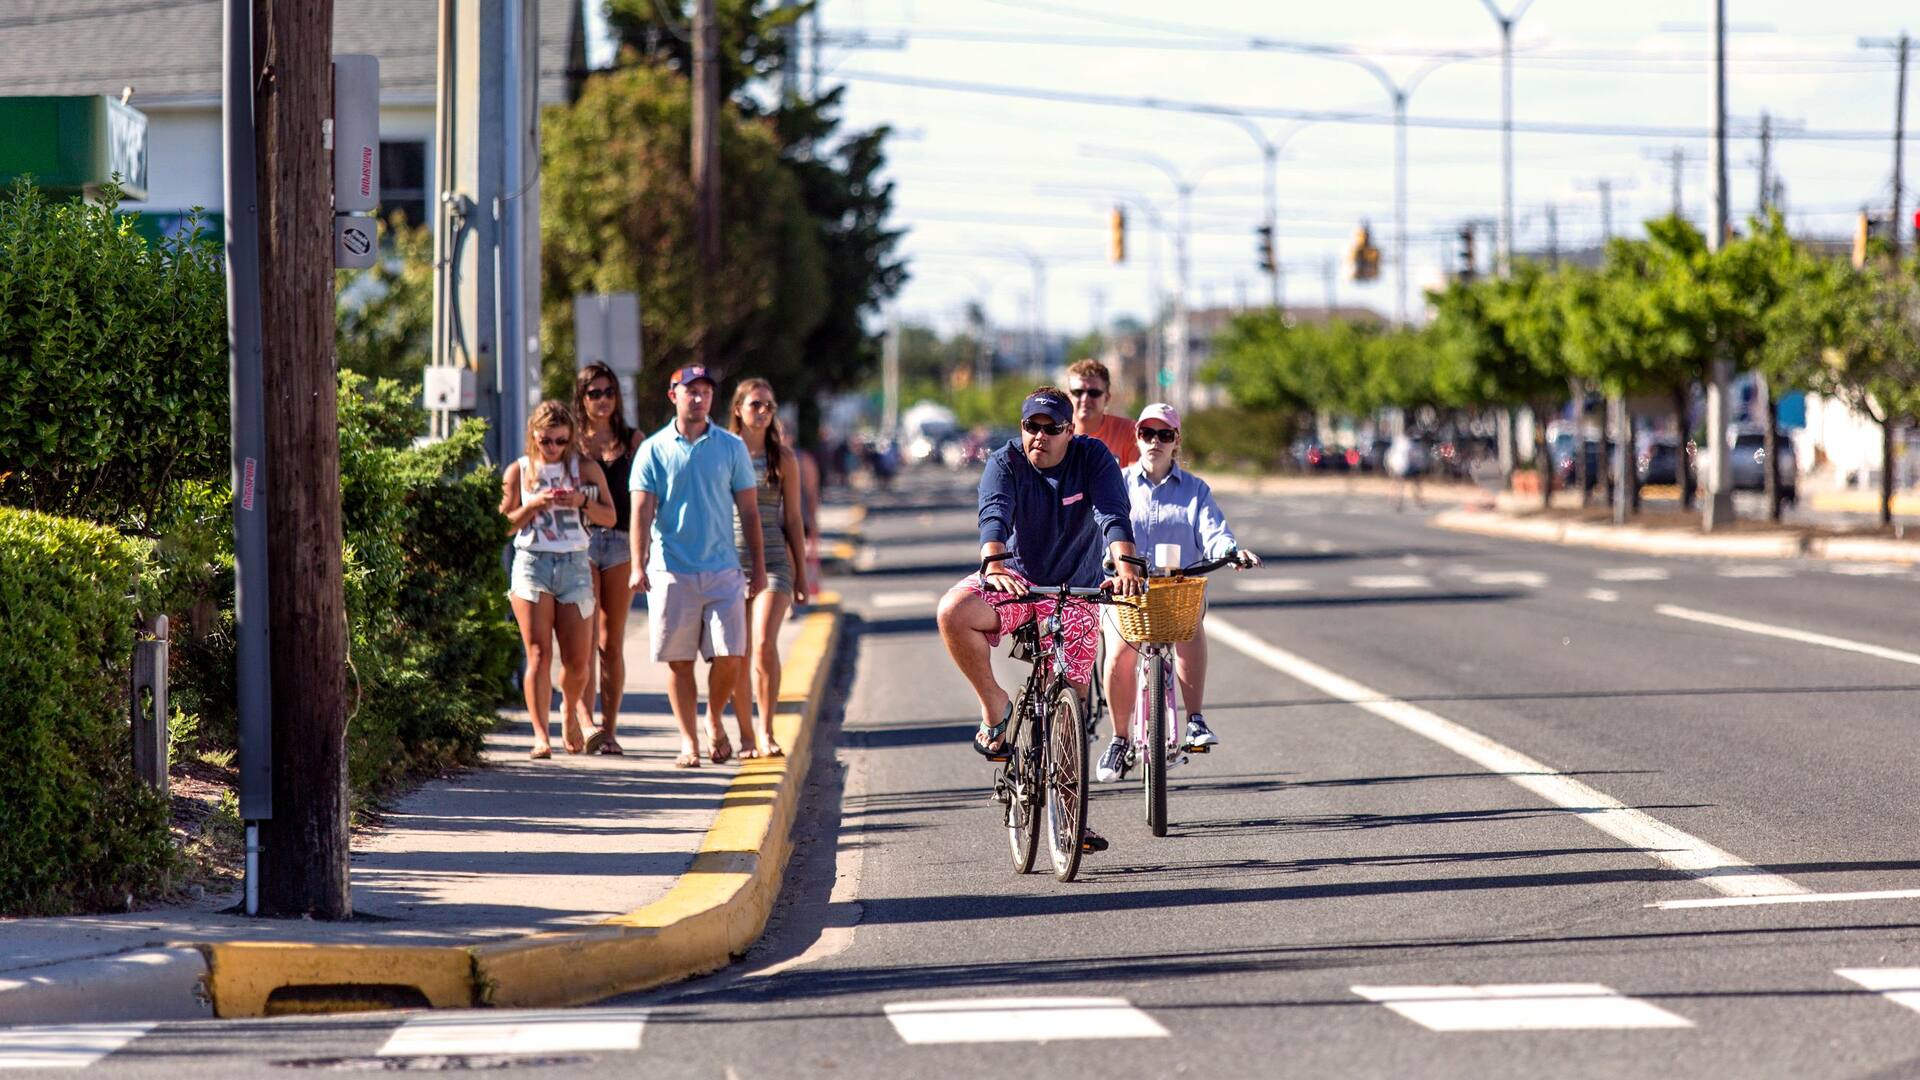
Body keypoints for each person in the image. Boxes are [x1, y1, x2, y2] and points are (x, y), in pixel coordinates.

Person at [936, 387, 1147, 849]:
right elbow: (994, 514)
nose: (1041, 436)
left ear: (1070, 432)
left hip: (1076, 590)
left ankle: (1072, 818)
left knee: (1071, 698)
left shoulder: (1093, 458)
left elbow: (1112, 511)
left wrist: (1126, 563)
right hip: (1016, 581)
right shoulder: (1004, 462)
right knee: (953, 612)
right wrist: (993, 564)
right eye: (1033, 426)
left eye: (1053, 428)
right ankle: (995, 708)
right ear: (1022, 428)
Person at [1096, 403, 1261, 784]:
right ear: (1136, 437)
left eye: (1164, 435)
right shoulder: (1116, 483)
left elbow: (1214, 531)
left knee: (1189, 628)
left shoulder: (1195, 489)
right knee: (1120, 650)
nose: (1155, 441)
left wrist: (1231, 553)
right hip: (1125, 587)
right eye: (1147, 433)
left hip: (1177, 588)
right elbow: (1098, 528)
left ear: (1176, 441)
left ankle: (1196, 720)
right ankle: (1120, 738)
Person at [629, 365, 767, 769]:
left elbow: (750, 511)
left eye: (705, 391)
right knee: (679, 660)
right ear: (673, 395)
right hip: (671, 569)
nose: (699, 397)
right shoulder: (653, 450)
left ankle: (713, 715)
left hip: (723, 568)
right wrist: (638, 565)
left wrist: (757, 567)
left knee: (731, 654)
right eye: (690, 391)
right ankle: (689, 741)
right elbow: (640, 512)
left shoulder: (730, 447)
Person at [500, 401, 617, 760]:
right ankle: (540, 735)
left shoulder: (584, 468)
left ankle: (569, 711)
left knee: (577, 662)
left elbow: (610, 517)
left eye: (560, 441)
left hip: (574, 563)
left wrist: (581, 500)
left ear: (570, 439)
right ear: (534, 437)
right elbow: (504, 524)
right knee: (537, 653)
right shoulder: (519, 470)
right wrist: (534, 504)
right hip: (533, 562)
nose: (553, 447)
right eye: (546, 440)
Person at [726, 378, 810, 760]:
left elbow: (793, 518)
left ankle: (766, 729)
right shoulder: (724, 451)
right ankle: (745, 733)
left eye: (769, 406)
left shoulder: (783, 458)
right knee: (738, 652)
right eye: (756, 405)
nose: (763, 412)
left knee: (762, 642)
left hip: (775, 561)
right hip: (729, 561)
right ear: (739, 409)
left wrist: (803, 576)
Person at [573, 363, 644, 756]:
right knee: (582, 640)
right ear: (581, 398)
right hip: (579, 543)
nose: (602, 400)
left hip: (620, 544)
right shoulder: (570, 442)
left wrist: (645, 551)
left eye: (609, 392)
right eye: (594, 393)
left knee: (609, 643)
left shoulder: (633, 440)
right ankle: (585, 724)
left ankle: (610, 730)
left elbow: (646, 497)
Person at [1066, 357, 1140, 468]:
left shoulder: (1129, 431)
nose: (1085, 399)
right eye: (1078, 392)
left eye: (1094, 392)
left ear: (1107, 398)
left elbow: (1137, 481)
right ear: (1069, 396)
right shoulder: (1055, 432)